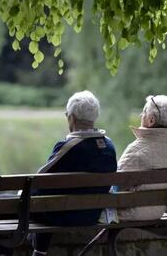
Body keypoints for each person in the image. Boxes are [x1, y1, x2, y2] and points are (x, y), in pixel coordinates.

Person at [29, 90, 117, 256]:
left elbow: (38, 182)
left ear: (71, 117)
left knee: (10, 203)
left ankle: (1, 251)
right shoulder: (109, 146)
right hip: (91, 215)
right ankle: (39, 252)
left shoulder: (69, 146)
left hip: (64, 215)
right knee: (50, 200)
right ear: (94, 117)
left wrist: (21, 193)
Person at [117, 95, 167, 221]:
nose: (141, 116)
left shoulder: (136, 150)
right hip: (157, 213)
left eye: (144, 112)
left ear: (151, 120)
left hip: (129, 213)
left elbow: (115, 184)